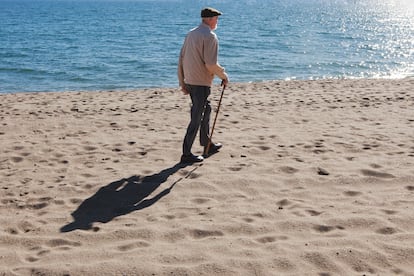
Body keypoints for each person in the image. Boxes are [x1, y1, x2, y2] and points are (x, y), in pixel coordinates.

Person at [178, 7, 229, 164]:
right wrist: (224, 75)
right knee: (196, 117)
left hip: (190, 81)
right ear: (209, 19)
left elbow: (181, 58)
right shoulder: (210, 36)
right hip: (200, 83)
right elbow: (211, 64)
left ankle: (207, 143)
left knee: (206, 110)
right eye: (216, 18)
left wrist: (182, 82)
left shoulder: (191, 34)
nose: (217, 21)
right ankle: (186, 154)